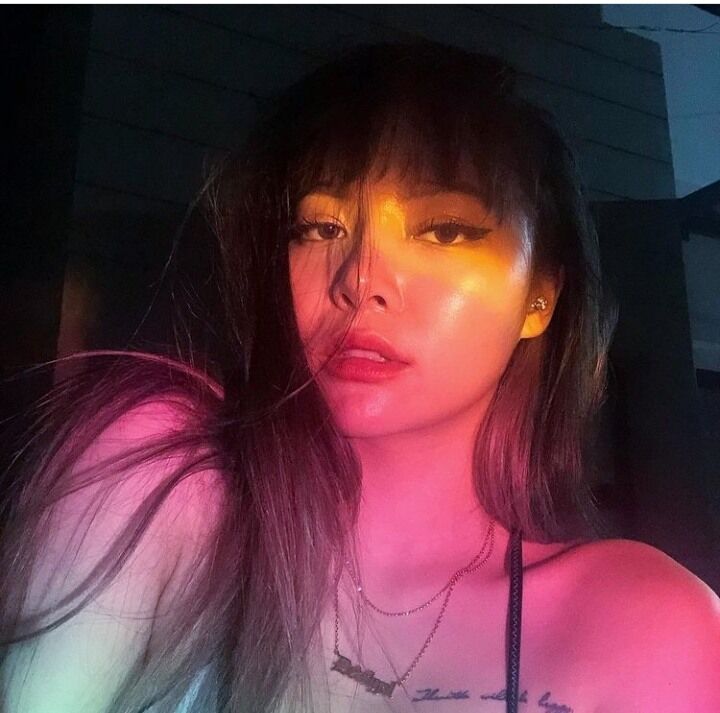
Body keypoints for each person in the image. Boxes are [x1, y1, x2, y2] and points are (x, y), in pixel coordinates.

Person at [1, 41, 718, 713]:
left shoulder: (644, 623)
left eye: (444, 230)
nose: (359, 279)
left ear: (540, 297)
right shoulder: (168, 484)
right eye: (320, 228)